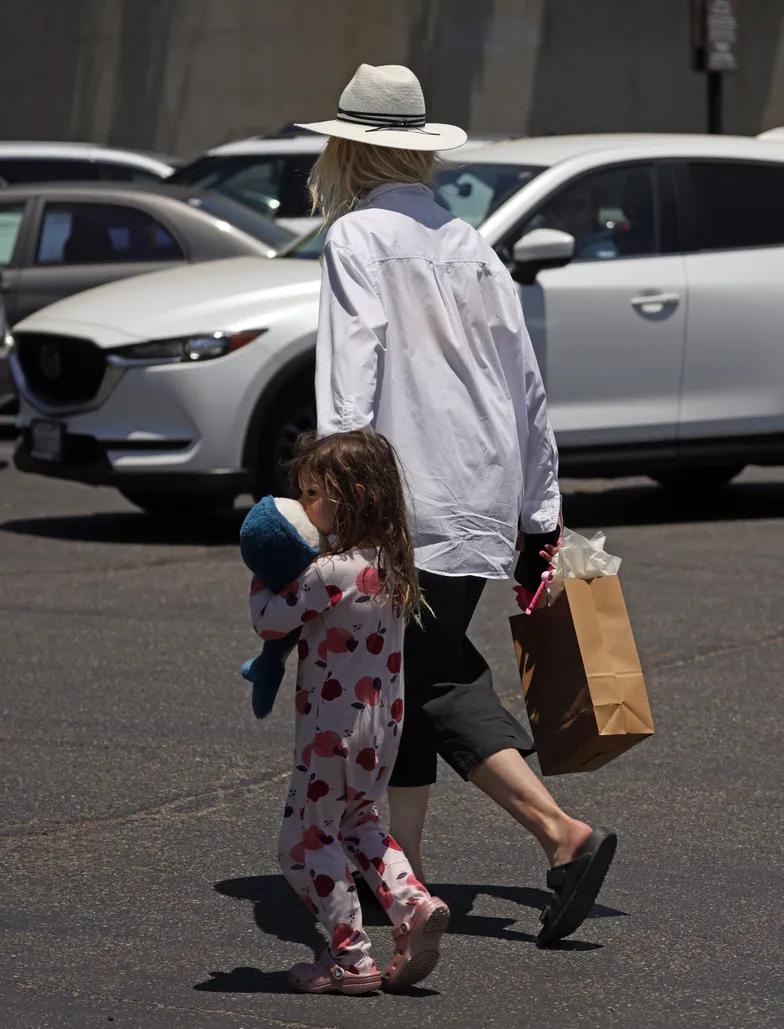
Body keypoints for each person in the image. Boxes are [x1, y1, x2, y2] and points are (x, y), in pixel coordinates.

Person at [298, 64, 617, 947]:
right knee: (407, 676)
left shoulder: (358, 239)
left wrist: (332, 503)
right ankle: (399, 873)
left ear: (349, 145)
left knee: (428, 676)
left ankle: (563, 834)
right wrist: (538, 512)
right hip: (477, 485)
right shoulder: (470, 243)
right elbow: (526, 384)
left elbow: (349, 382)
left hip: (403, 494)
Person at [250, 430, 450, 995]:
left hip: (329, 736)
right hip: (381, 729)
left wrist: (264, 569)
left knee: (304, 845)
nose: (305, 506)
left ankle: (350, 956)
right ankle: (412, 905)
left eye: (314, 494)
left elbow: (269, 620)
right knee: (359, 824)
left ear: (352, 496)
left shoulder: (327, 573)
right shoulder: (391, 563)